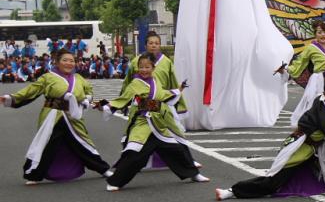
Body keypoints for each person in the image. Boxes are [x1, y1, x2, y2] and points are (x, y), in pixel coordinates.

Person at [215, 75, 325, 200]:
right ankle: (233, 191)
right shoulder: (324, 109)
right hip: (302, 146)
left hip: (318, 146)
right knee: (275, 181)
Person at [98, 53, 209, 191]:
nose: (144, 70)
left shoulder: (155, 81)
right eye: (141, 67)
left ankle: (193, 174)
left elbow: (162, 95)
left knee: (176, 149)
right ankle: (114, 182)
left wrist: (178, 89)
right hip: (143, 124)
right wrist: (107, 106)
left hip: (159, 124)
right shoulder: (135, 83)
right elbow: (124, 98)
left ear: (153, 67)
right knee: (135, 155)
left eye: (147, 67)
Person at [1, 48, 112, 184]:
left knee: (83, 143)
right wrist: (10, 98)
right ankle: (34, 175)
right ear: (57, 62)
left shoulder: (79, 78)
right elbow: (30, 91)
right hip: (52, 116)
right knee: (46, 145)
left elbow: (89, 91)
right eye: (65, 60)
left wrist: (88, 98)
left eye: (72, 61)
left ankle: (103, 169)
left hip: (73, 116)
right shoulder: (47, 77)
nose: (69, 63)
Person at [121, 31, 199, 170]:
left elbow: (173, 83)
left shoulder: (166, 62)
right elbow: (128, 83)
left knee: (175, 132)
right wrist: (124, 102)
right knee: (135, 134)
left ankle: (188, 161)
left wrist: (177, 101)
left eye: (157, 43)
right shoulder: (136, 61)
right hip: (142, 105)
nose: (154, 46)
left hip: (162, 103)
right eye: (151, 43)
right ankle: (127, 164)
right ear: (145, 45)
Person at [276, 20, 325, 127]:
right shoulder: (311, 48)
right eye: (319, 32)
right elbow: (299, 63)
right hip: (317, 81)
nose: (323, 35)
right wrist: (286, 69)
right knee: (315, 104)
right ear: (315, 35)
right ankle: (313, 127)